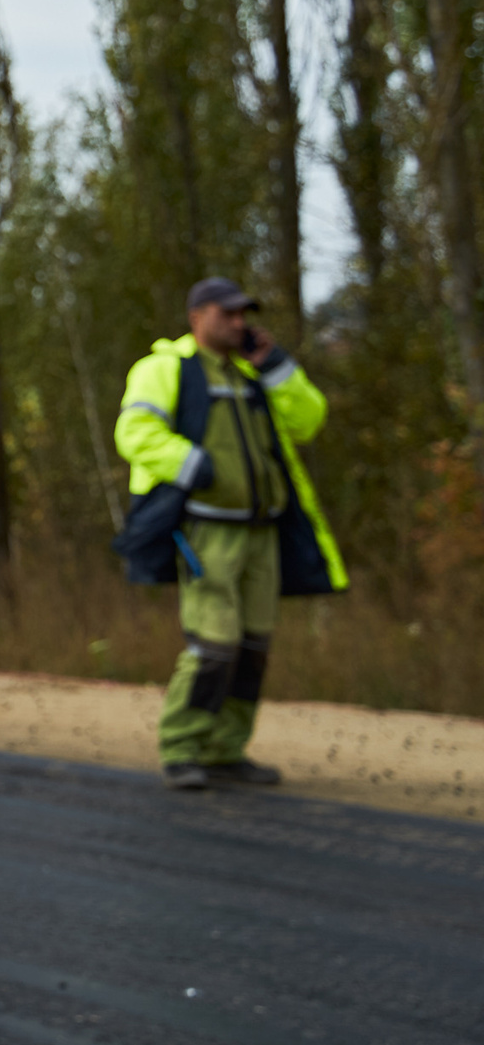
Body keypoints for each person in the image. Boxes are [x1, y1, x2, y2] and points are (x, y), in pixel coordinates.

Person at [115, 278, 347, 790]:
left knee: (252, 646)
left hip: (262, 533)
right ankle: (182, 747)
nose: (240, 323)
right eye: (229, 314)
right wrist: (192, 464)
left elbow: (309, 420)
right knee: (213, 645)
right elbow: (134, 433)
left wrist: (276, 365)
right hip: (206, 533)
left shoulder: (251, 375)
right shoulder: (164, 369)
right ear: (198, 315)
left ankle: (225, 750)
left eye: (245, 315)